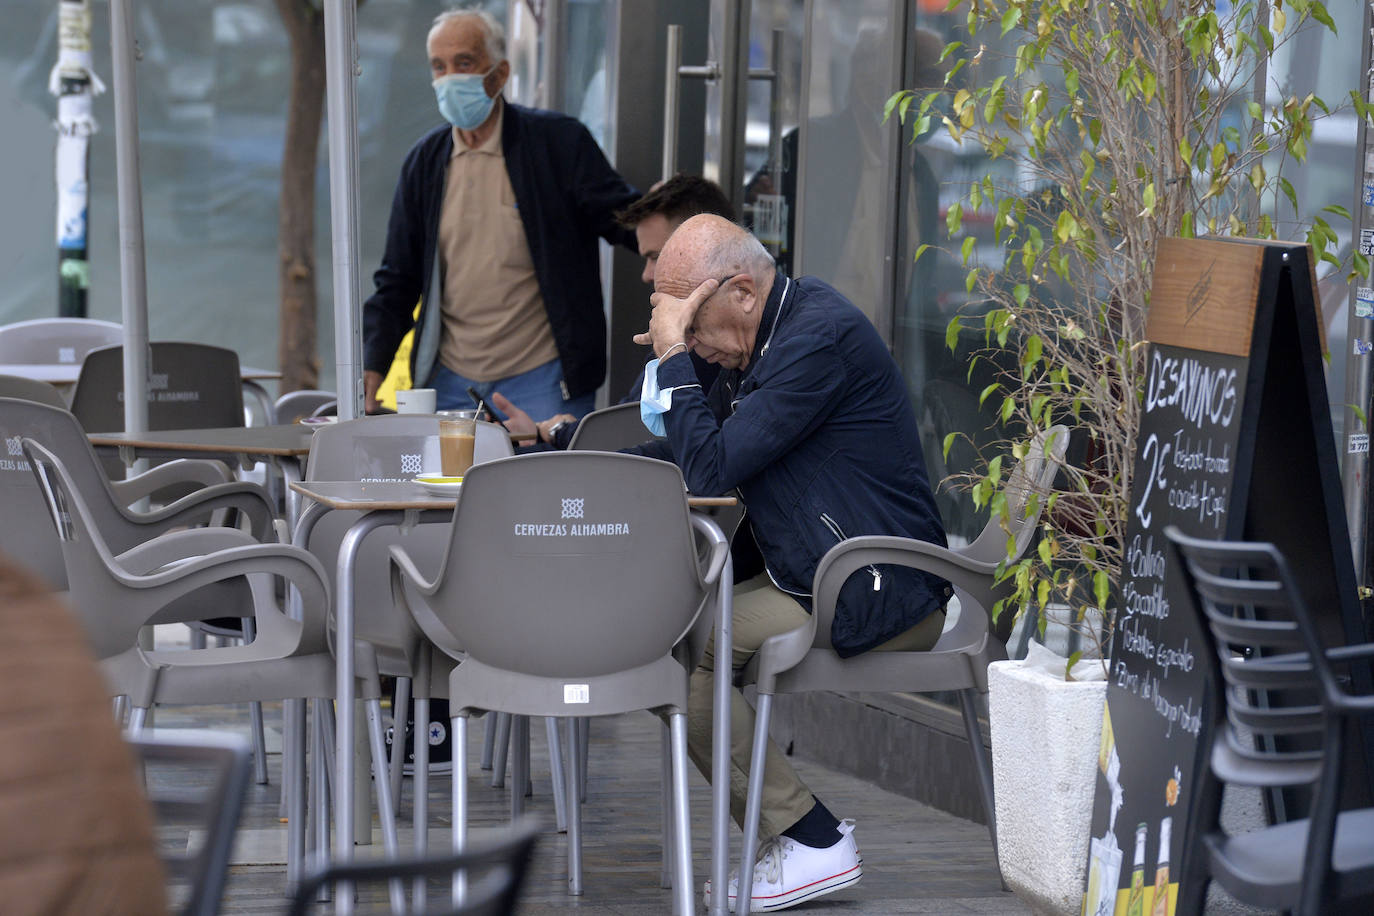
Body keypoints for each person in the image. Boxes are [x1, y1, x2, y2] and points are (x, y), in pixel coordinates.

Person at [632, 214, 952, 912]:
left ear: (742, 292)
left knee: (696, 650)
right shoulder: (759, 344)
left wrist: (671, 361)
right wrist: (580, 466)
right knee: (684, 637)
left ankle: (811, 840)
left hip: (879, 585)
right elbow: (697, 458)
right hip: (822, 572)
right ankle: (794, 840)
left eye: (695, 323)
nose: (692, 344)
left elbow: (711, 462)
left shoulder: (816, 340)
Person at [362, 8, 639, 416]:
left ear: (500, 73)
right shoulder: (425, 163)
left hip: (543, 378)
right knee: (446, 483)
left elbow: (624, 218)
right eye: (439, 66)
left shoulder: (557, 144)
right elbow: (397, 280)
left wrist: (682, 232)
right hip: (451, 381)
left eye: (465, 63)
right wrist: (372, 368)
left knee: (548, 480)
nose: (450, 78)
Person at [493, 174, 736, 448]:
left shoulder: (705, 342)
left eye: (657, 257)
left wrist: (557, 431)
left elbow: (628, 435)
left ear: (704, 245)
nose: (647, 274)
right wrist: (547, 433)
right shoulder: (689, 331)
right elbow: (629, 422)